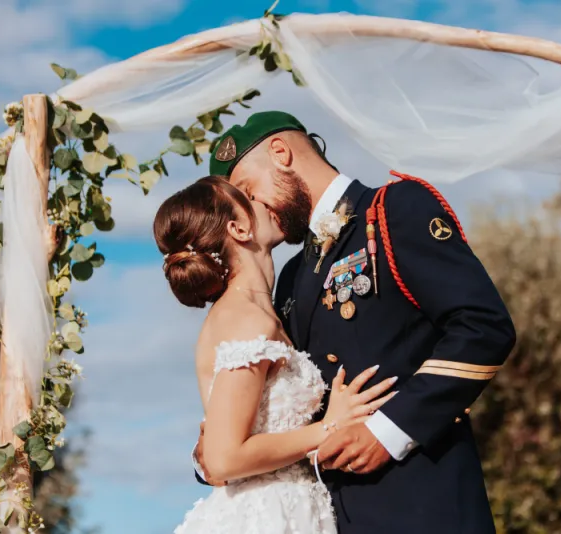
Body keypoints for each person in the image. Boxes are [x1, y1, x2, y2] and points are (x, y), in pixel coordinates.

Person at [193, 110, 517, 533]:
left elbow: (484, 327)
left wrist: (389, 431)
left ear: (281, 153)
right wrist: (220, 452)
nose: (252, 211)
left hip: (422, 503)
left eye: (249, 191)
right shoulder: (290, 278)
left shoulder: (392, 211)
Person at [154, 175, 397, 533]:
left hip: (294, 506)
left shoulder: (265, 310)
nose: (265, 201)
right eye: (247, 197)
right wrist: (329, 426)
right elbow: (223, 458)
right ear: (238, 228)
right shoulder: (246, 318)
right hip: (266, 515)